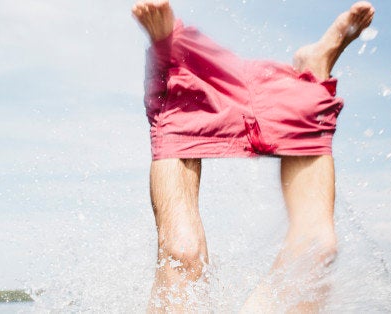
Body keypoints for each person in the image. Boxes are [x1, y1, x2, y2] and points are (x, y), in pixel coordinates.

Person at [131, 0, 375, 312]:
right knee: (183, 253)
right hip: (199, 96)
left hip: (190, 94)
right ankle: (315, 71)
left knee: (316, 251)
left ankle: (314, 67)